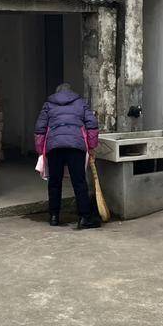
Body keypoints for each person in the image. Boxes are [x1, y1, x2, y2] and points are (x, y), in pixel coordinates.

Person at [34, 83, 101, 229]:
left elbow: (40, 129)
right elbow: (92, 125)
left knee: (54, 182)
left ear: (56, 93)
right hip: (75, 146)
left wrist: (40, 151)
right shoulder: (81, 103)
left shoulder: (48, 104)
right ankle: (84, 217)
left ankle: (54, 217)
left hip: (54, 147)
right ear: (71, 92)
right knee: (79, 181)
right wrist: (91, 147)